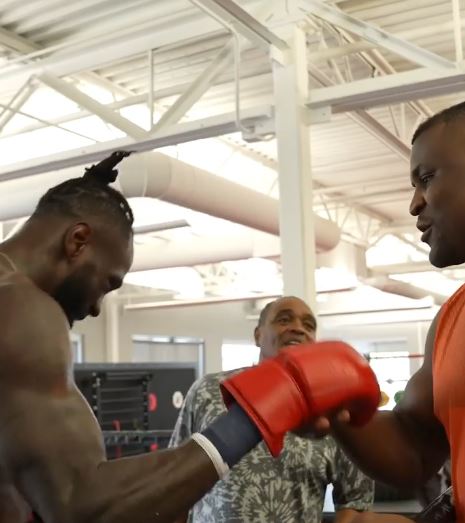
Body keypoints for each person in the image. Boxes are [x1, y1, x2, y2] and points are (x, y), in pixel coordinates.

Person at [0, 151, 380, 523]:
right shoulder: (23, 309)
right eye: (108, 283)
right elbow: (77, 503)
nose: (98, 307)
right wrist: (253, 419)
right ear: (78, 241)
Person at [324, 101, 465, 523]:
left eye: (426, 178)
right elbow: (415, 446)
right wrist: (332, 404)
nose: (414, 205)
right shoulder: (452, 319)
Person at [170, 296, 375, 523]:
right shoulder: (209, 390)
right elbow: (175, 482)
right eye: (284, 320)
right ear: (258, 335)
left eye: (308, 325)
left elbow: (357, 503)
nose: (298, 328)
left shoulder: (333, 411)